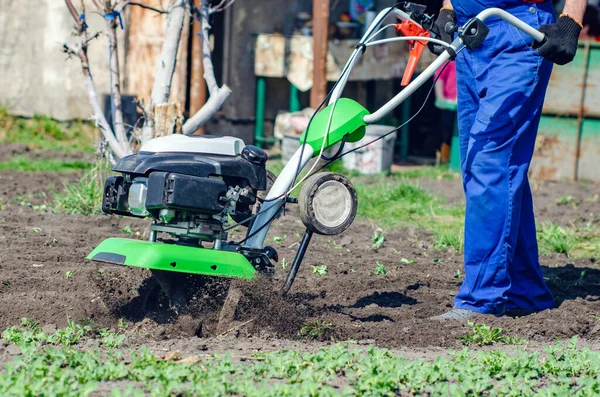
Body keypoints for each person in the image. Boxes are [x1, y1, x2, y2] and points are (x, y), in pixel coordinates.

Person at [428, 0, 586, 320]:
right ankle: (525, 290)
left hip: (517, 28)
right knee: (485, 164)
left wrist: (572, 19)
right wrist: (447, 6)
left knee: (490, 161)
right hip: (471, 33)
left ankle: (481, 299)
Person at [433, 62, 457, 163]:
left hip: (465, 104)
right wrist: (440, 98)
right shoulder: (450, 61)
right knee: (446, 132)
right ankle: (443, 160)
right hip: (449, 103)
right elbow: (439, 77)